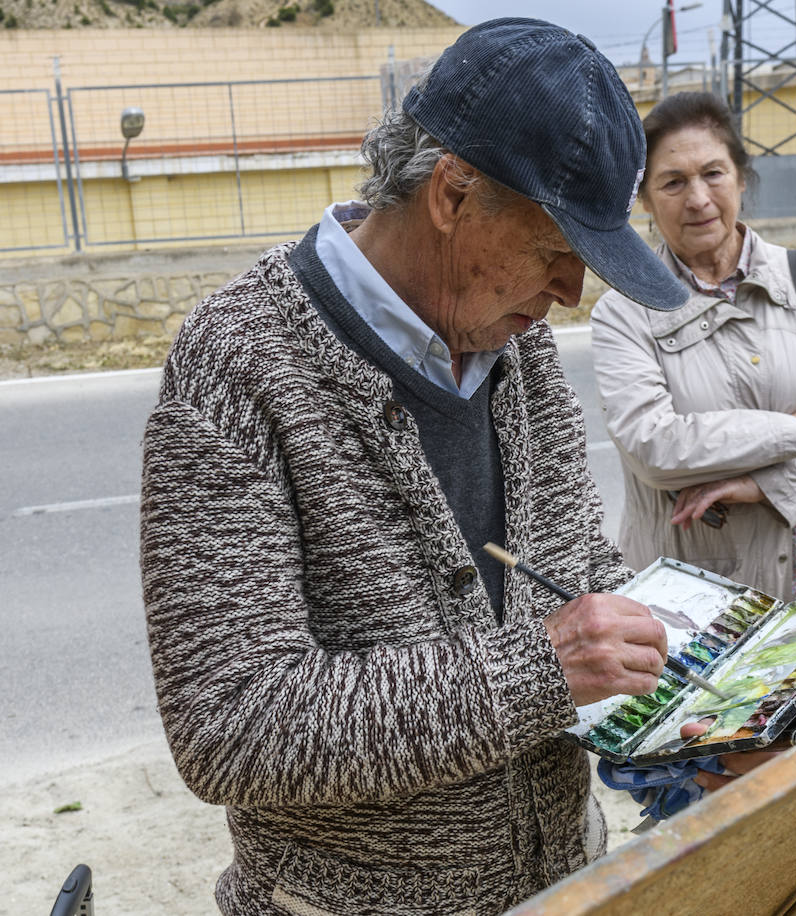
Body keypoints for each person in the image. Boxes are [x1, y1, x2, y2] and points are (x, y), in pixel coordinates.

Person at [139, 19, 690, 916]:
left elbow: (579, 575)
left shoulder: (518, 351)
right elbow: (228, 726)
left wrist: (677, 682)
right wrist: (539, 673)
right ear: (452, 194)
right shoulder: (239, 361)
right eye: (555, 251)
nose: (568, 294)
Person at [591, 91, 796, 602]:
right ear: (643, 200)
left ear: (741, 178)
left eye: (713, 173)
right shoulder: (623, 312)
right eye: (673, 182)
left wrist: (769, 487)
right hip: (698, 606)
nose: (698, 198)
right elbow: (656, 448)